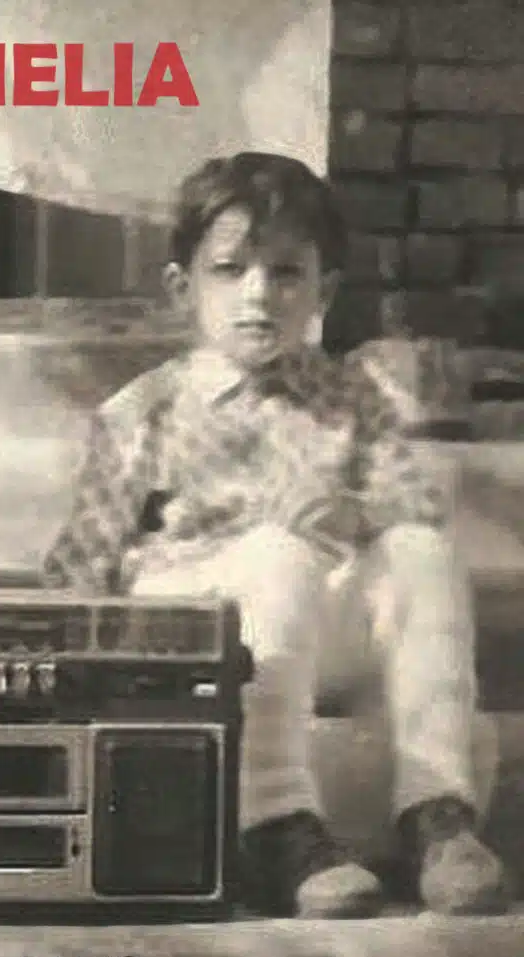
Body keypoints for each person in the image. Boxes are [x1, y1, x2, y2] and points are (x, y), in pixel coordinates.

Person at [43, 151, 511, 918]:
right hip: (199, 630)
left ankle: (436, 812)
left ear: (323, 292)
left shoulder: (351, 395)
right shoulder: (143, 413)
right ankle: (275, 824)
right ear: (182, 289)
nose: (259, 293)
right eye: (230, 270)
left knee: (418, 549)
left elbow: (415, 497)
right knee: (277, 551)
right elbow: (81, 566)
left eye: (287, 272)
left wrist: (354, 511)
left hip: (321, 629)